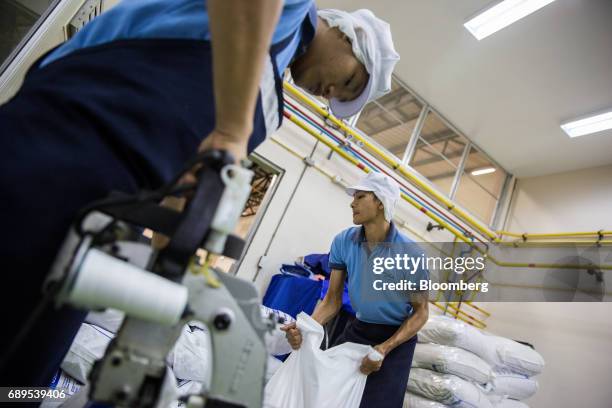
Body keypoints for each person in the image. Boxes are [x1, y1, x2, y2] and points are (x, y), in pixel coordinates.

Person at [0, 0, 399, 386]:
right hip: (65, 144)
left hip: (111, 211)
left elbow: (186, 173)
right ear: (351, 35)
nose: (329, 90)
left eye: (336, 98)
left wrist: (167, 260)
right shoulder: (289, 11)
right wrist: (232, 130)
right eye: (347, 81)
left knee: (29, 367)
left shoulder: (267, 100)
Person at [282, 172, 429, 408]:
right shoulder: (343, 241)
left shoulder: (411, 254)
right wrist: (305, 327)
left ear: (381, 202)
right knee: (330, 398)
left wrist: (384, 349)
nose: (353, 202)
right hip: (359, 330)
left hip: (394, 340)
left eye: (360, 196)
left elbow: (421, 312)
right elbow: (332, 300)